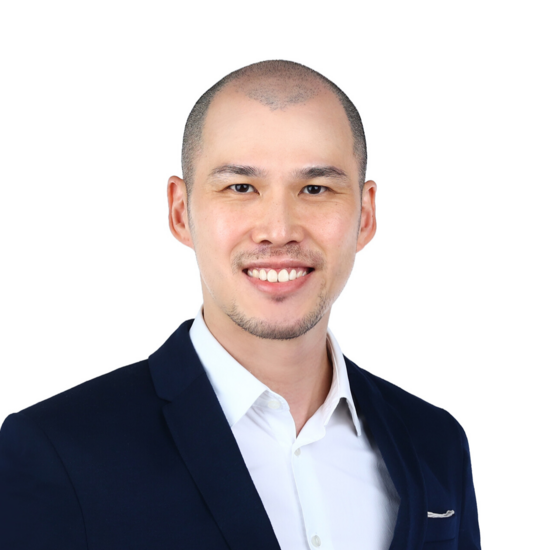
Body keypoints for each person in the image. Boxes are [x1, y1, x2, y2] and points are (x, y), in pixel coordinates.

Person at [0, 60, 481, 550]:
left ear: (365, 214)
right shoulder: (57, 451)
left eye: (315, 189)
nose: (279, 229)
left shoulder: (435, 442)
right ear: (181, 212)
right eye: (241, 188)